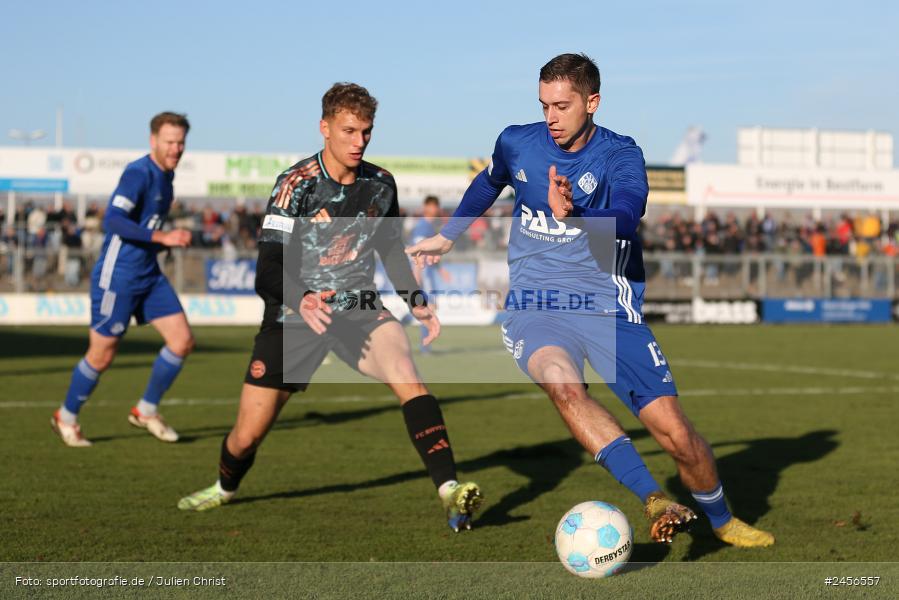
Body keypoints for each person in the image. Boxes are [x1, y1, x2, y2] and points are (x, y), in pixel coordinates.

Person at [406, 53, 774, 547]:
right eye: (544, 106)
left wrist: (575, 212)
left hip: (607, 305)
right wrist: (449, 236)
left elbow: (627, 216)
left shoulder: (621, 155)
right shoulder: (517, 141)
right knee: (563, 385)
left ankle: (723, 521)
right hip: (535, 305)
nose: (551, 118)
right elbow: (489, 181)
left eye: (562, 106)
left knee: (678, 437)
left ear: (592, 102)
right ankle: (652, 497)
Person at [177, 83, 482, 532]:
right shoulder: (295, 185)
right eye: (349, 131)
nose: (359, 142)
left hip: (359, 308)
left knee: (408, 375)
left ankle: (450, 491)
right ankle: (224, 488)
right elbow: (267, 267)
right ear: (325, 128)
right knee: (246, 437)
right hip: (293, 317)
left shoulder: (381, 185)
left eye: (366, 132)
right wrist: (300, 298)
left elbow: (391, 250)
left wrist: (416, 302)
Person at [51, 112, 194, 447]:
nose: (175, 148)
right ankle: (66, 417)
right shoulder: (138, 173)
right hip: (118, 276)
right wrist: (164, 238)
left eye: (180, 142)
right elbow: (113, 221)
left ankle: (146, 410)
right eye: (169, 141)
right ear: (153, 141)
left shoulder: (167, 175)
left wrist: (159, 243)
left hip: (148, 275)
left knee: (182, 341)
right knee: (101, 355)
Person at [409, 195, 447, 353]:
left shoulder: (430, 227)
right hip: (424, 275)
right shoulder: (422, 227)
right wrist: (417, 274)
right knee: (428, 307)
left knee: (425, 308)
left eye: (436, 206)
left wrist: (441, 270)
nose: (434, 209)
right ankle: (426, 346)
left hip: (428, 273)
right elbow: (417, 252)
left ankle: (425, 345)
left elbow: (430, 252)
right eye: (431, 206)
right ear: (426, 207)